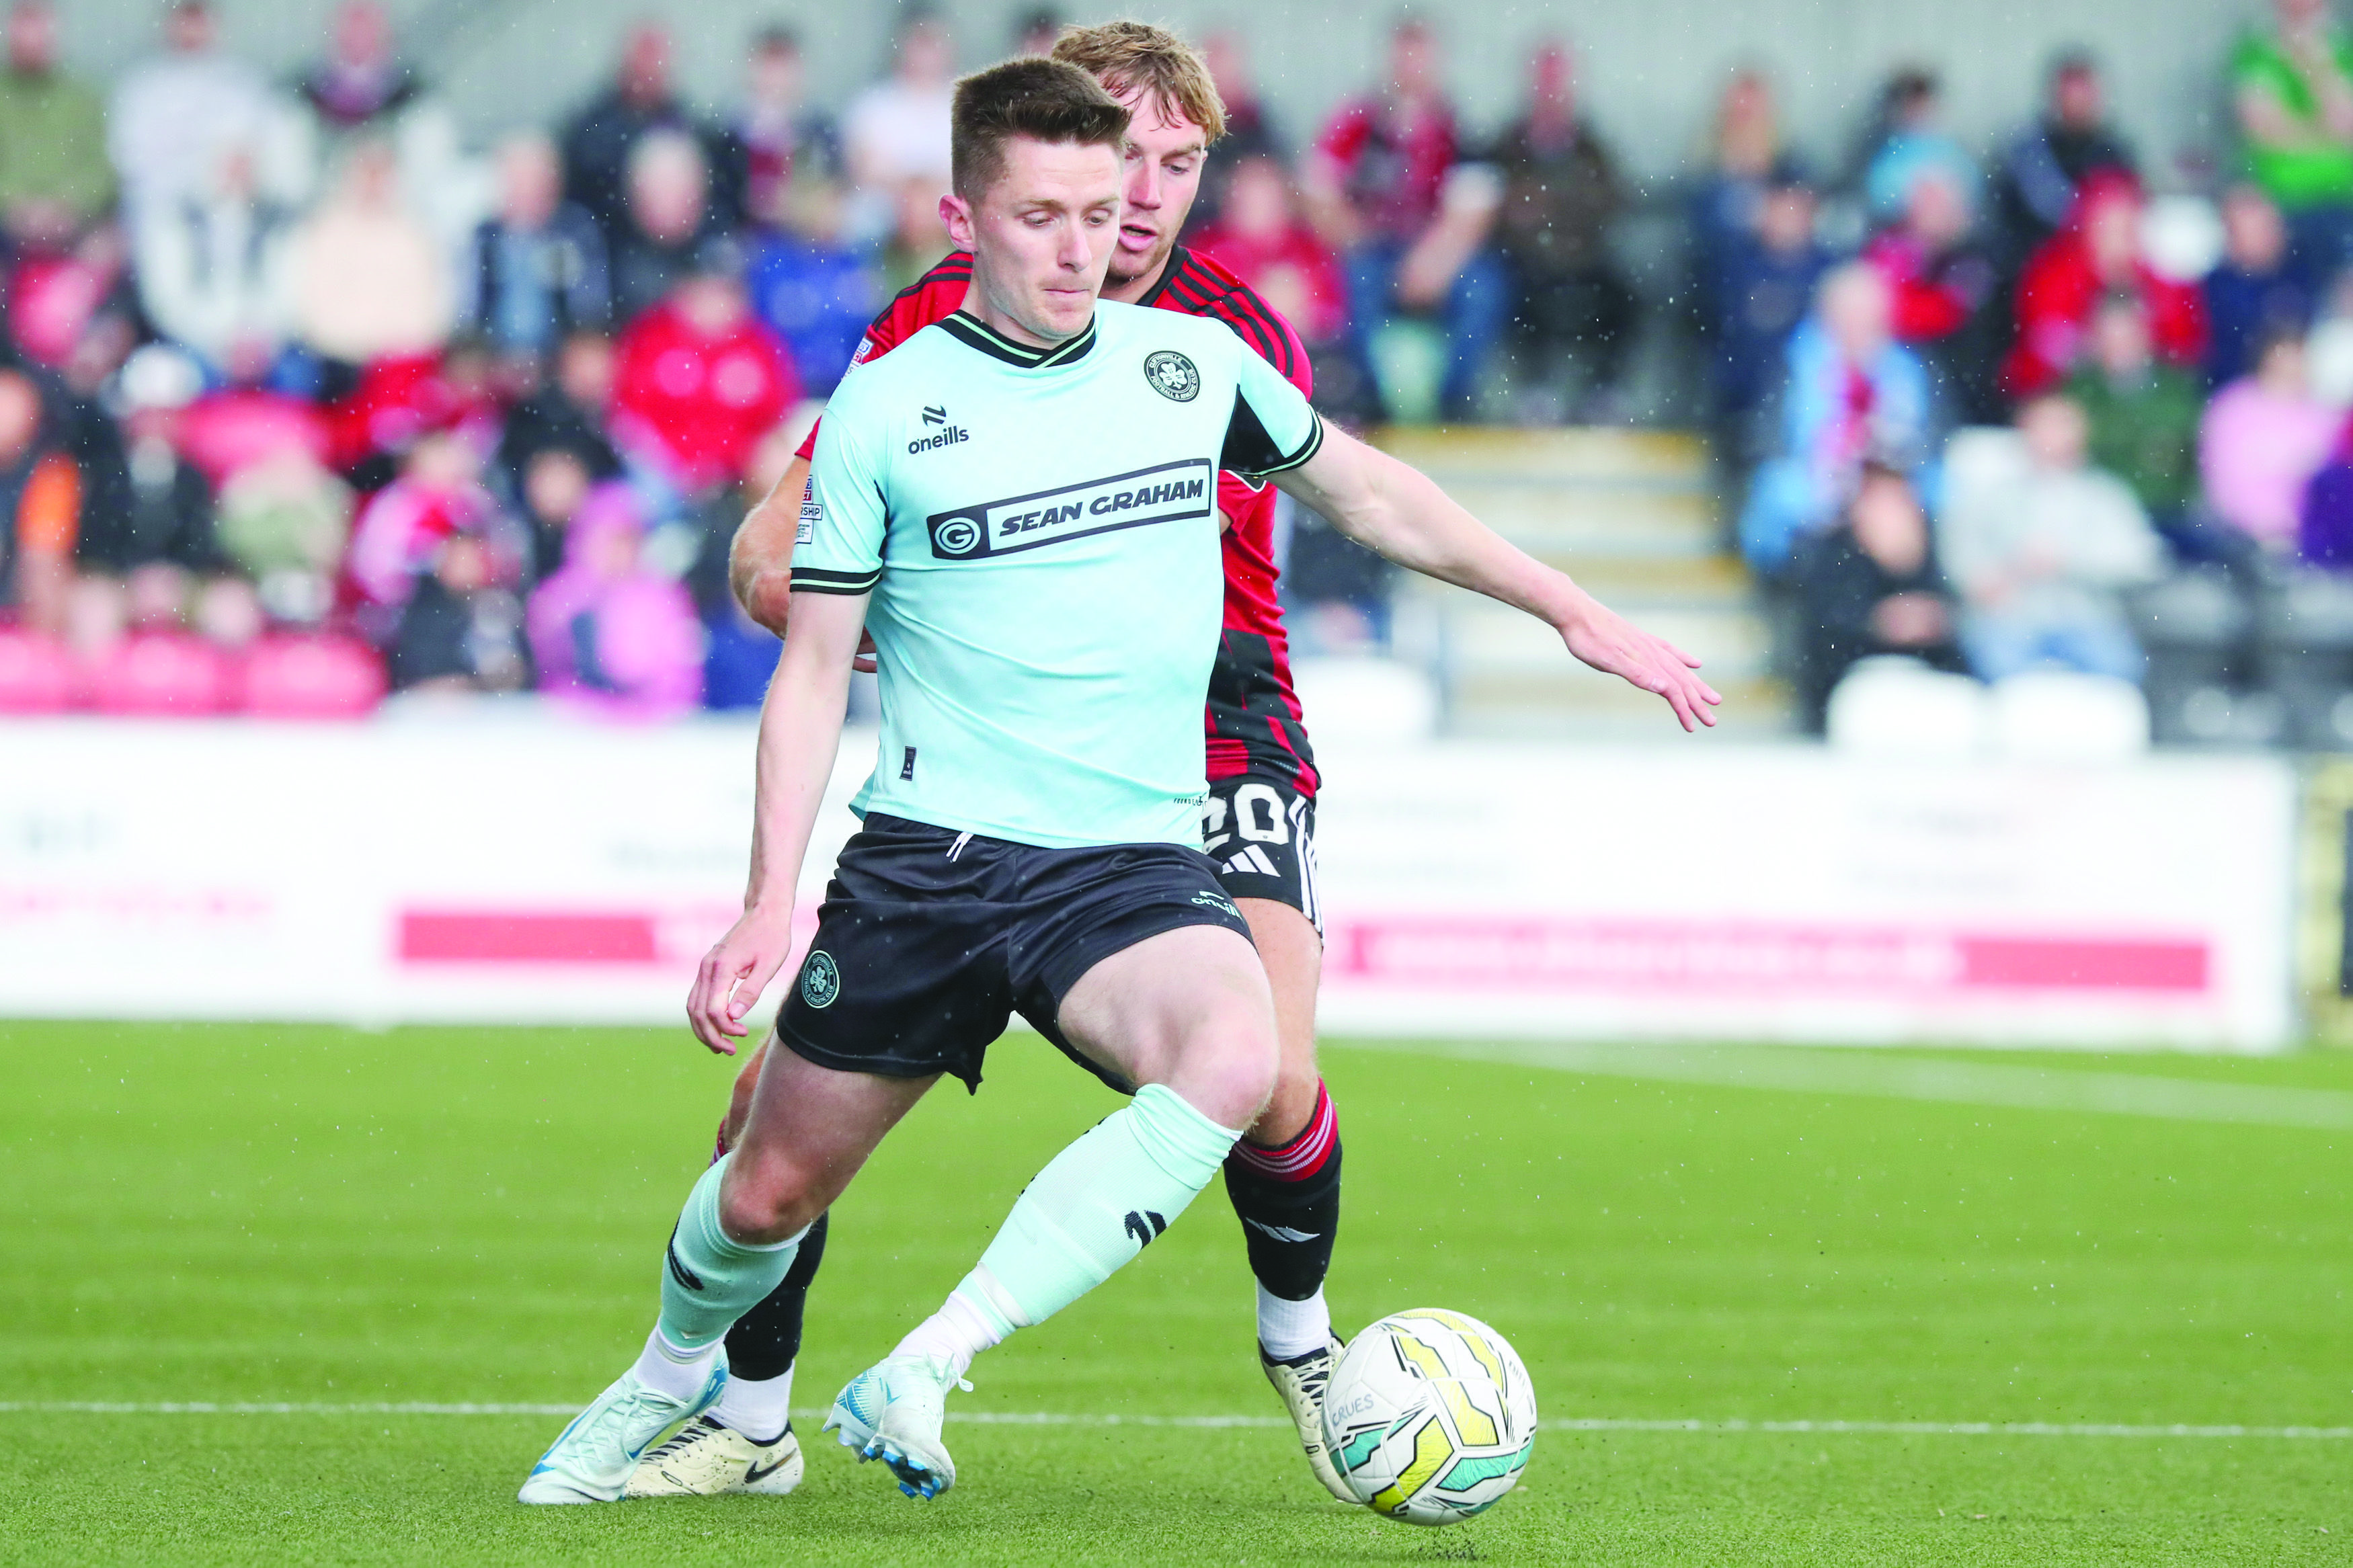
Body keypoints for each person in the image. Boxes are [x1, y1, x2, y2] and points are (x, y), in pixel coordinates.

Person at [520, 52, 1713, 1512]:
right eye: (1085, 185)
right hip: (952, 813)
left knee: (1264, 1070)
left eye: (1159, 176)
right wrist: (860, 627)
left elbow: (1370, 491)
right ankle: (730, 1404)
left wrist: (1567, 606)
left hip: (1197, 751)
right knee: (761, 1153)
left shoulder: (1215, 341)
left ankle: (1286, 1346)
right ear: (978, 211)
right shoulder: (906, 368)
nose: (1120, 217)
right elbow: (785, 584)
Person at [1305, 17, 1506, 420]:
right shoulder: (1359, 123)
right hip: (1372, 250)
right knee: (1350, 281)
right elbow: (1317, 191)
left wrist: (1434, 263)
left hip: (1437, 254)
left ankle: (1455, 403)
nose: (1411, 70)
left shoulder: (1458, 127)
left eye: (1420, 60)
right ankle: (1369, 400)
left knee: (1485, 289)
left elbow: (1474, 211)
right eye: (1404, 59)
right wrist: (1355, 237)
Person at [1941, 393, 2165, 682]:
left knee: (2121, 669)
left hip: (2088, 618)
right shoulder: (1991, 496)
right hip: (2011, 618)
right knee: (1997, 666)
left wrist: (2068, 560)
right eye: (2042, 425)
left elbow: (2141, 561)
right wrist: (1995, 575)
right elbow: (1962, 555)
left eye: (2061, 425)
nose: (2051, 436)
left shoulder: (2106, 496)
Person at [1739, 263, 1940, 575]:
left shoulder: (1910, 371)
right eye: (1848, 315)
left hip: (1889, 486)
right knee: (1780, 492)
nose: (1857, 326)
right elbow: (1769, 439)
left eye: (1867, 317)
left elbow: (1930, 443)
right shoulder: (1795, 365)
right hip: (1816, 484)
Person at [1487, 40, 1637, 421]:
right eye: (1545, 82)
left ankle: (1605, 392)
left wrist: (1543, 207)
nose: (1552, 93)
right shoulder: (1506, 144)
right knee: (1512, 289)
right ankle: (1535, 390)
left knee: (1628, 294)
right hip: (1526, 261)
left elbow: (1609, 201)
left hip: (1584, 260)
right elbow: (1499, 206)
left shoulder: (1592, 147)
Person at [1791, 460, 1963, 732]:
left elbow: (1953, 613)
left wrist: (1905, 566)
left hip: (1926, 682)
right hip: (1853, 685)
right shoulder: (1834, 552)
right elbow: (1823, 632)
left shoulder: (1929, 549)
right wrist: (1879, 623)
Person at [608, 251, 799, 496]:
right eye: (703, 294)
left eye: (723, 293)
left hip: (740, 477)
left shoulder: (760, 345)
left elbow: (779, 417)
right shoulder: (650, 339)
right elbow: (628, 418)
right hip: (664, 476)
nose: (714, 305)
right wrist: (676, 466)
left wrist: (733, 464)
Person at [2003, 171, 2206, 398]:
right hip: (2063, 395)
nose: (2116, 239)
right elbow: (2044, 346)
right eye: (2106, 227)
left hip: (2147, 393)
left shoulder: (2162, 273)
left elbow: (2185, 345)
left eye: (2126, 227)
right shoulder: (2054, 273)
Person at [107, 0, 296, 237]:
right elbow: (130, 159)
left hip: (233, 198)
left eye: (199, 22)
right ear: (169, 25)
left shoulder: (242, 79)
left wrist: (242, 168)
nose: (192, 31)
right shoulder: (142, 86)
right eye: (185, 21)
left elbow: (264, 137)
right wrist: (199, 172)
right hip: (164, 202)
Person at [287, 139, 454, 368]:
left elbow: (427, 307)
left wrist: (391, 347)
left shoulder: (414, 234)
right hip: (338, 358)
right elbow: (315, 306)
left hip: (400, 359)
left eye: (380, 175)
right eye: (366, 174)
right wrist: (356, 345)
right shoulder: (326, 231)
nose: (373, 183)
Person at [1862, 158, 2001, 421]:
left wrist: (1888, 306)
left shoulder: (1975, 258)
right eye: (1921, 202)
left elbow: (1937, 315)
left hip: (1958, 382)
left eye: (1936, 203)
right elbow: (1863, 297)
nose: (1926, 212)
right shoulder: (1890, 243)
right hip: (1889, 370)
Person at [561, 24, 725, 243]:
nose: (650, 69)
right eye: (644, 56)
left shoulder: (689, 125)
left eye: (657, 57)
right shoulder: (592, 130)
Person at [2066, 294, 2206, 540]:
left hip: (2167, 517)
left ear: (2147, 335)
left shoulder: (2178, 390)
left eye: (2128, 336)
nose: (2120, 347)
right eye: (2110, 337)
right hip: (2096, 523)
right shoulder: (2076, 394)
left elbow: (2196, 461)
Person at [467, 131, 610, 368]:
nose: (525, 191)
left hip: (558, 362)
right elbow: (468, 310)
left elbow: (589, 307)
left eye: (533, 181)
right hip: (493, 363)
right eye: (515, 181)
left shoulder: (573, 232)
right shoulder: (484, 238)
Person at [2232, 0, 2353, 276]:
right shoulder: (2256, 51)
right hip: (2281, 199)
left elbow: (2345, 122)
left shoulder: (2343, 49)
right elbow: (2262, 127)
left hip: (2342, 198)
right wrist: (2324, 136)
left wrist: (2315, 62)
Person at [1991, 51, 2137, 272]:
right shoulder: (2027, 152)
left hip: (2096, 273)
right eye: (2070, 95)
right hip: (2035, 266)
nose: (2076, 103)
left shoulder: (2114, 153)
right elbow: (2007, 221)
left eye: (2083, 95)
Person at [2200, 327, 2340, 550]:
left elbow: (2331, 483)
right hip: (2242, 536)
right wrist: (2265, 527)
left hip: (2312, 539)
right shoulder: (2233, 409)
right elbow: (2224, 479)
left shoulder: (2324, 415)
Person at [744, 178, 884, 395]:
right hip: (786, 393)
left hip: (844, 390)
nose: (826, 215)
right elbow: (759, 331)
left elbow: (870, 334)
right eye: (817, 205)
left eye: (833, 206)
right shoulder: (774, 264)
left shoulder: (856, 264)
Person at [0, 1, 114, 247]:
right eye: (24, 31)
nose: (31, 41)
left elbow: (101, 170)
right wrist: (16, 205)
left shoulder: (82, 97)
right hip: (6, 226)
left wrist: (68, 203)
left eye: (38, 30)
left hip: (72, 223)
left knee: (107, 248)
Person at [842, 9, 957, 241]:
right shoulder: (872, 106)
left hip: (949, 220)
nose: (926, 54)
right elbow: (861, 170)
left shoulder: (969, 105)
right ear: (902, 46)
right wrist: (910, 197)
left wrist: (927, 197)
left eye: (932, 43)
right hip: (884, 224)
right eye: (919, 42)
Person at [719, 27, 840, 229]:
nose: (775, 78)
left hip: (802, 240)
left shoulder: (819, 132)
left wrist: (798, 205)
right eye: (768, 66)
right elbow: (718, 197)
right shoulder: (727, 132)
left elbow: (830, 197)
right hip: (742, 235)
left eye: (783, 67)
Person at [606, 130, 724, 325]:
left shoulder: (724, 249)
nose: (669, 201)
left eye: (678, 188)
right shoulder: (614, 261)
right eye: (659, 189)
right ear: (635, 196)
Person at [2203, 183, 2314, 386]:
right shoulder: (2214, 290)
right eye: (2248, 230)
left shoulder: (2304, 272)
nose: (2260, 238)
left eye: (2264, 227)